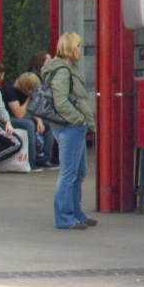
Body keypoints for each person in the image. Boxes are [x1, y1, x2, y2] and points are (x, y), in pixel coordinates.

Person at [44, 32, 97, 230]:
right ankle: (65, 217)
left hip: (73, 127)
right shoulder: (63, 71)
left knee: (79, 171)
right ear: (70, 47)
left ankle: (76, 213)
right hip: (69, 127)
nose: (80, 49)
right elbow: (61, 101)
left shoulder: (66, 68)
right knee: (68, 174)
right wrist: (80, 120)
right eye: (78, 46)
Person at [5, 72, 54, 169]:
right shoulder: (10, 90)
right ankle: (31, 161)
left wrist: (39, 121)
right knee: (29, 125)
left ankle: (45, 159)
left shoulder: (29, 92)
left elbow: (34, 109)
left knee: (48, 123)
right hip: (9, 118)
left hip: (26, 115)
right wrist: (30, 98)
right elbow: (18, 114)